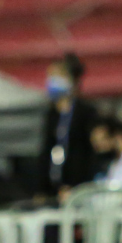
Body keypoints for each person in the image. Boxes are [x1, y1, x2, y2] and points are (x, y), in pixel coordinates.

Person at [38, 53, 99, 200]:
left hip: (79, 189)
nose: (51, 81)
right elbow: (46, 150)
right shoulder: (51, 114)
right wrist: (42, 189)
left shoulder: (86, 113)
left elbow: (89, 154)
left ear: (71, 79)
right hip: (54, 189)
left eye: (56, 76)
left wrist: (76, 186)